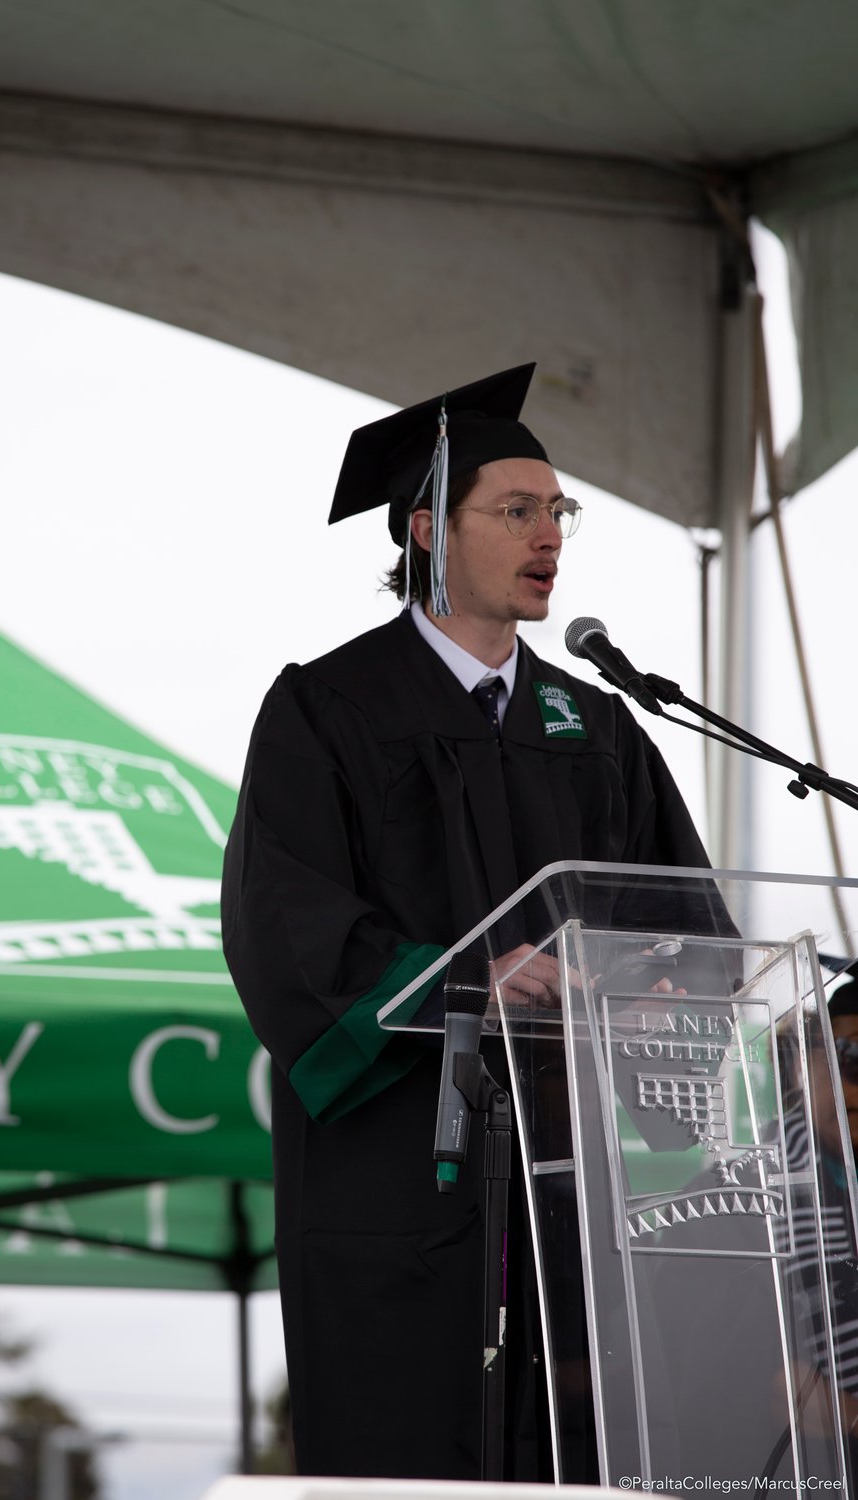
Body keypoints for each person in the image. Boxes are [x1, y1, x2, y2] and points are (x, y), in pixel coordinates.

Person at [221, 362, 715, 1481]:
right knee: (413, 1452)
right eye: (516, 510)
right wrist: (458, 983)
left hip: (575, 1190)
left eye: (559, 513)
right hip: (403, 1180)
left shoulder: (592, 726)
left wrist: (669, 985)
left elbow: (682, 924)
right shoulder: (329, 707)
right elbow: (280, 918)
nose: (549, 536)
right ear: (426, 531)